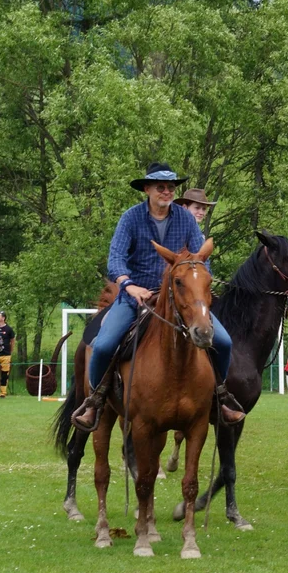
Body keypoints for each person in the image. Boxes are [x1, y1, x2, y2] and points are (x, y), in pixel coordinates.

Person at [71, 162, 244, 431]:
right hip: (135, 296)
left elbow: (200, 258)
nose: (166, 192)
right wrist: (129, 286)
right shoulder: (130, 218)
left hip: (179, 297)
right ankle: (95, 401)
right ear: (147, 189)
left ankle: (219, 397)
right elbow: (115, 259)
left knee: (223, 341)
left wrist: (199, 283)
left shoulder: (185, 219)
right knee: (104, 345)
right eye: (160, 187)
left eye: (171, 187)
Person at [0, 311, 13, 398]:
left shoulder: (9, 329)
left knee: (5, 374)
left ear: (3, 318)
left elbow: (12, 341)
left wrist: (10, 352)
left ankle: (3, 393)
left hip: (6, 355)